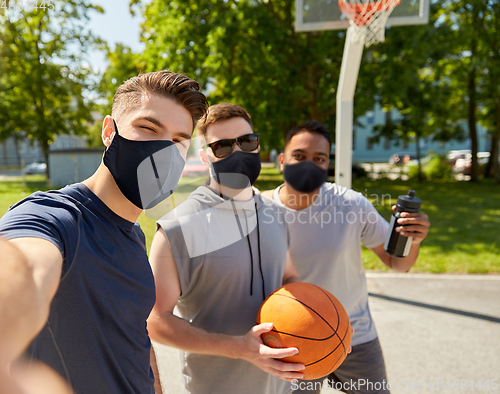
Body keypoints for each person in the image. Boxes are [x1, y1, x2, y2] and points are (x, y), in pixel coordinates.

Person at [0, 71, 208, 394]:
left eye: (179, 141)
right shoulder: (58, 218)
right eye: (148, 128)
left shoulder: (135, 235)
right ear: (109, 132)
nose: (164, 150)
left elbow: (134, 338)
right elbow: (24, 266)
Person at [263, 120, 431, 394]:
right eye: (299, 156)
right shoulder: (261, 210)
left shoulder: (351, 204)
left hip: (354, 334)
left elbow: (399, 264)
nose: (309, 164)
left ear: (327, 164)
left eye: (319, 158)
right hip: (291, 339)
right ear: (282, 160)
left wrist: (413, 240)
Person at [147, 103, 305, 394]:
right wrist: (239, 348)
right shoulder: (176, 228)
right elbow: (156, 321)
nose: (238, 153)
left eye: (247, 142)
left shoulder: (275, 213)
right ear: (206, 156)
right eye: (222, 147)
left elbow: (289, 278)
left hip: (281, 386)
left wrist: (325, 322)